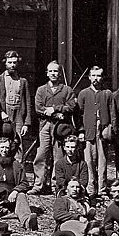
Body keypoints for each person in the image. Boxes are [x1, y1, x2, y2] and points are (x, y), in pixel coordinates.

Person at [33, 61, 77, 194]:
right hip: (45, 125)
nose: (53, 74)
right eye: (51, 71)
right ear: (47, 73)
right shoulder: (41, 90)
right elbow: (38, 107)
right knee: (41, 154)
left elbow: (71, 106)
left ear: (59, 73)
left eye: (56, 71)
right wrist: (51, 112)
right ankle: (38, 185)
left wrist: (56, 109)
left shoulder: (66, 90)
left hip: (60, 127)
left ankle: (56, 185)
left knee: (58, 156)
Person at [0, 135, 40, 229]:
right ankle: (8, 213)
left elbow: (24, 183)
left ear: (10, 149)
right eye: (2, 147)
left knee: (21, 196)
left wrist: (15, 191)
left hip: (11, 200)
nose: (4, 150)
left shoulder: (16, 165)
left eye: (7, 147)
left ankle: (27, 221)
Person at [77, 65, 114, 196]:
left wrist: (111, 131)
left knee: (102, 160)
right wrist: (81, 131)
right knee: (89, 160)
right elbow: (79, 114)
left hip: (102, 130)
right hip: (88, 131)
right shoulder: (83, 93)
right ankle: (90, 188)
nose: (96, 78)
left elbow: (112, 114)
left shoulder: (107, 93)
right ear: (89, 77)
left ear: (102, 77)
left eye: (98, 75)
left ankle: (102, 188)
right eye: (93, 75)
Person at [0, 50, 33, 151]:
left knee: (18, 144)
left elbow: (27, 103)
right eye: (9, 62)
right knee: (3, 144)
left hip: (18, 115)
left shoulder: (23, 81)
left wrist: (26, 123)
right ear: (5, 63)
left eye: (14, 62)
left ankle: (17, 165)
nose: (12, 65)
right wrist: (1, 113)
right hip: (4, 114)